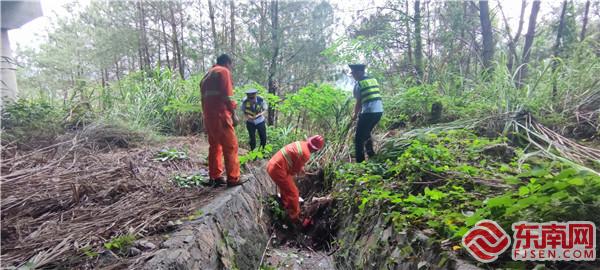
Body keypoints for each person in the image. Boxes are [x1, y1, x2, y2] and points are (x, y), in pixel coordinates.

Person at [200, 54, 242, 187]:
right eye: (231, 65)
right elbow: (227, 96)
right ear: (228, 63)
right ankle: (233, 178)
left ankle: (215, 177)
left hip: (209, 117)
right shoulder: (223, 72)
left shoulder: (206, 76)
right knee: (230, 146)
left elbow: (203, 99)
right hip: (221, 115)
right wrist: (234, 114)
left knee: (214, 147)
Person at [266, 135, 325, 225]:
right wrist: (298, 171)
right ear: (316, 149)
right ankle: (294, 218)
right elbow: (293, 171)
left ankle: (285, 205)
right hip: (278, 169)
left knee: (286, 188)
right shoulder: (306, 154)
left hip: (273, 164)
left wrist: (300, 169)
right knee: (294, 193)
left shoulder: (301, 144)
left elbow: (293, 158)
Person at [349, 64, 384, 163]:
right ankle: (372, 155)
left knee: (358, 139)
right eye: (352, 73)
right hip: (379, 112)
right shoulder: (373, 80)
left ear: (360, 72)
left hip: (368, 113)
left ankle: (360, 162)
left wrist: (355, 115)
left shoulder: (359, 84)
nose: (353, 75)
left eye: (354, 73)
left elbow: (358, 102)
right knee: (367, 133)